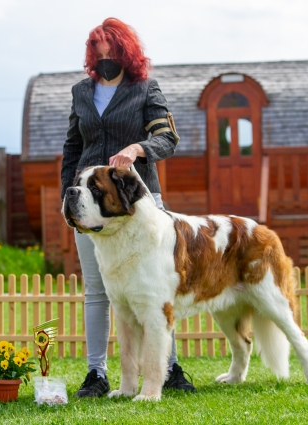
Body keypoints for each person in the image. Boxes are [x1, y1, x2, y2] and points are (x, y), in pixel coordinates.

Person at [61, 18, 195, 397]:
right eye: (97, 52)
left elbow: (167, 137)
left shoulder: (146, 88)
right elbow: (72, 147)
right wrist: (68, 197)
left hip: (140, 203)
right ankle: (96, 374)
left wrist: (139, 148)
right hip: (90, 205)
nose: (104, 59)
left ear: (126, 52)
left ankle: (169, 370)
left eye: (111, 52)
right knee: (97, 290)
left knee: (156, 289)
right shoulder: (80, 92)